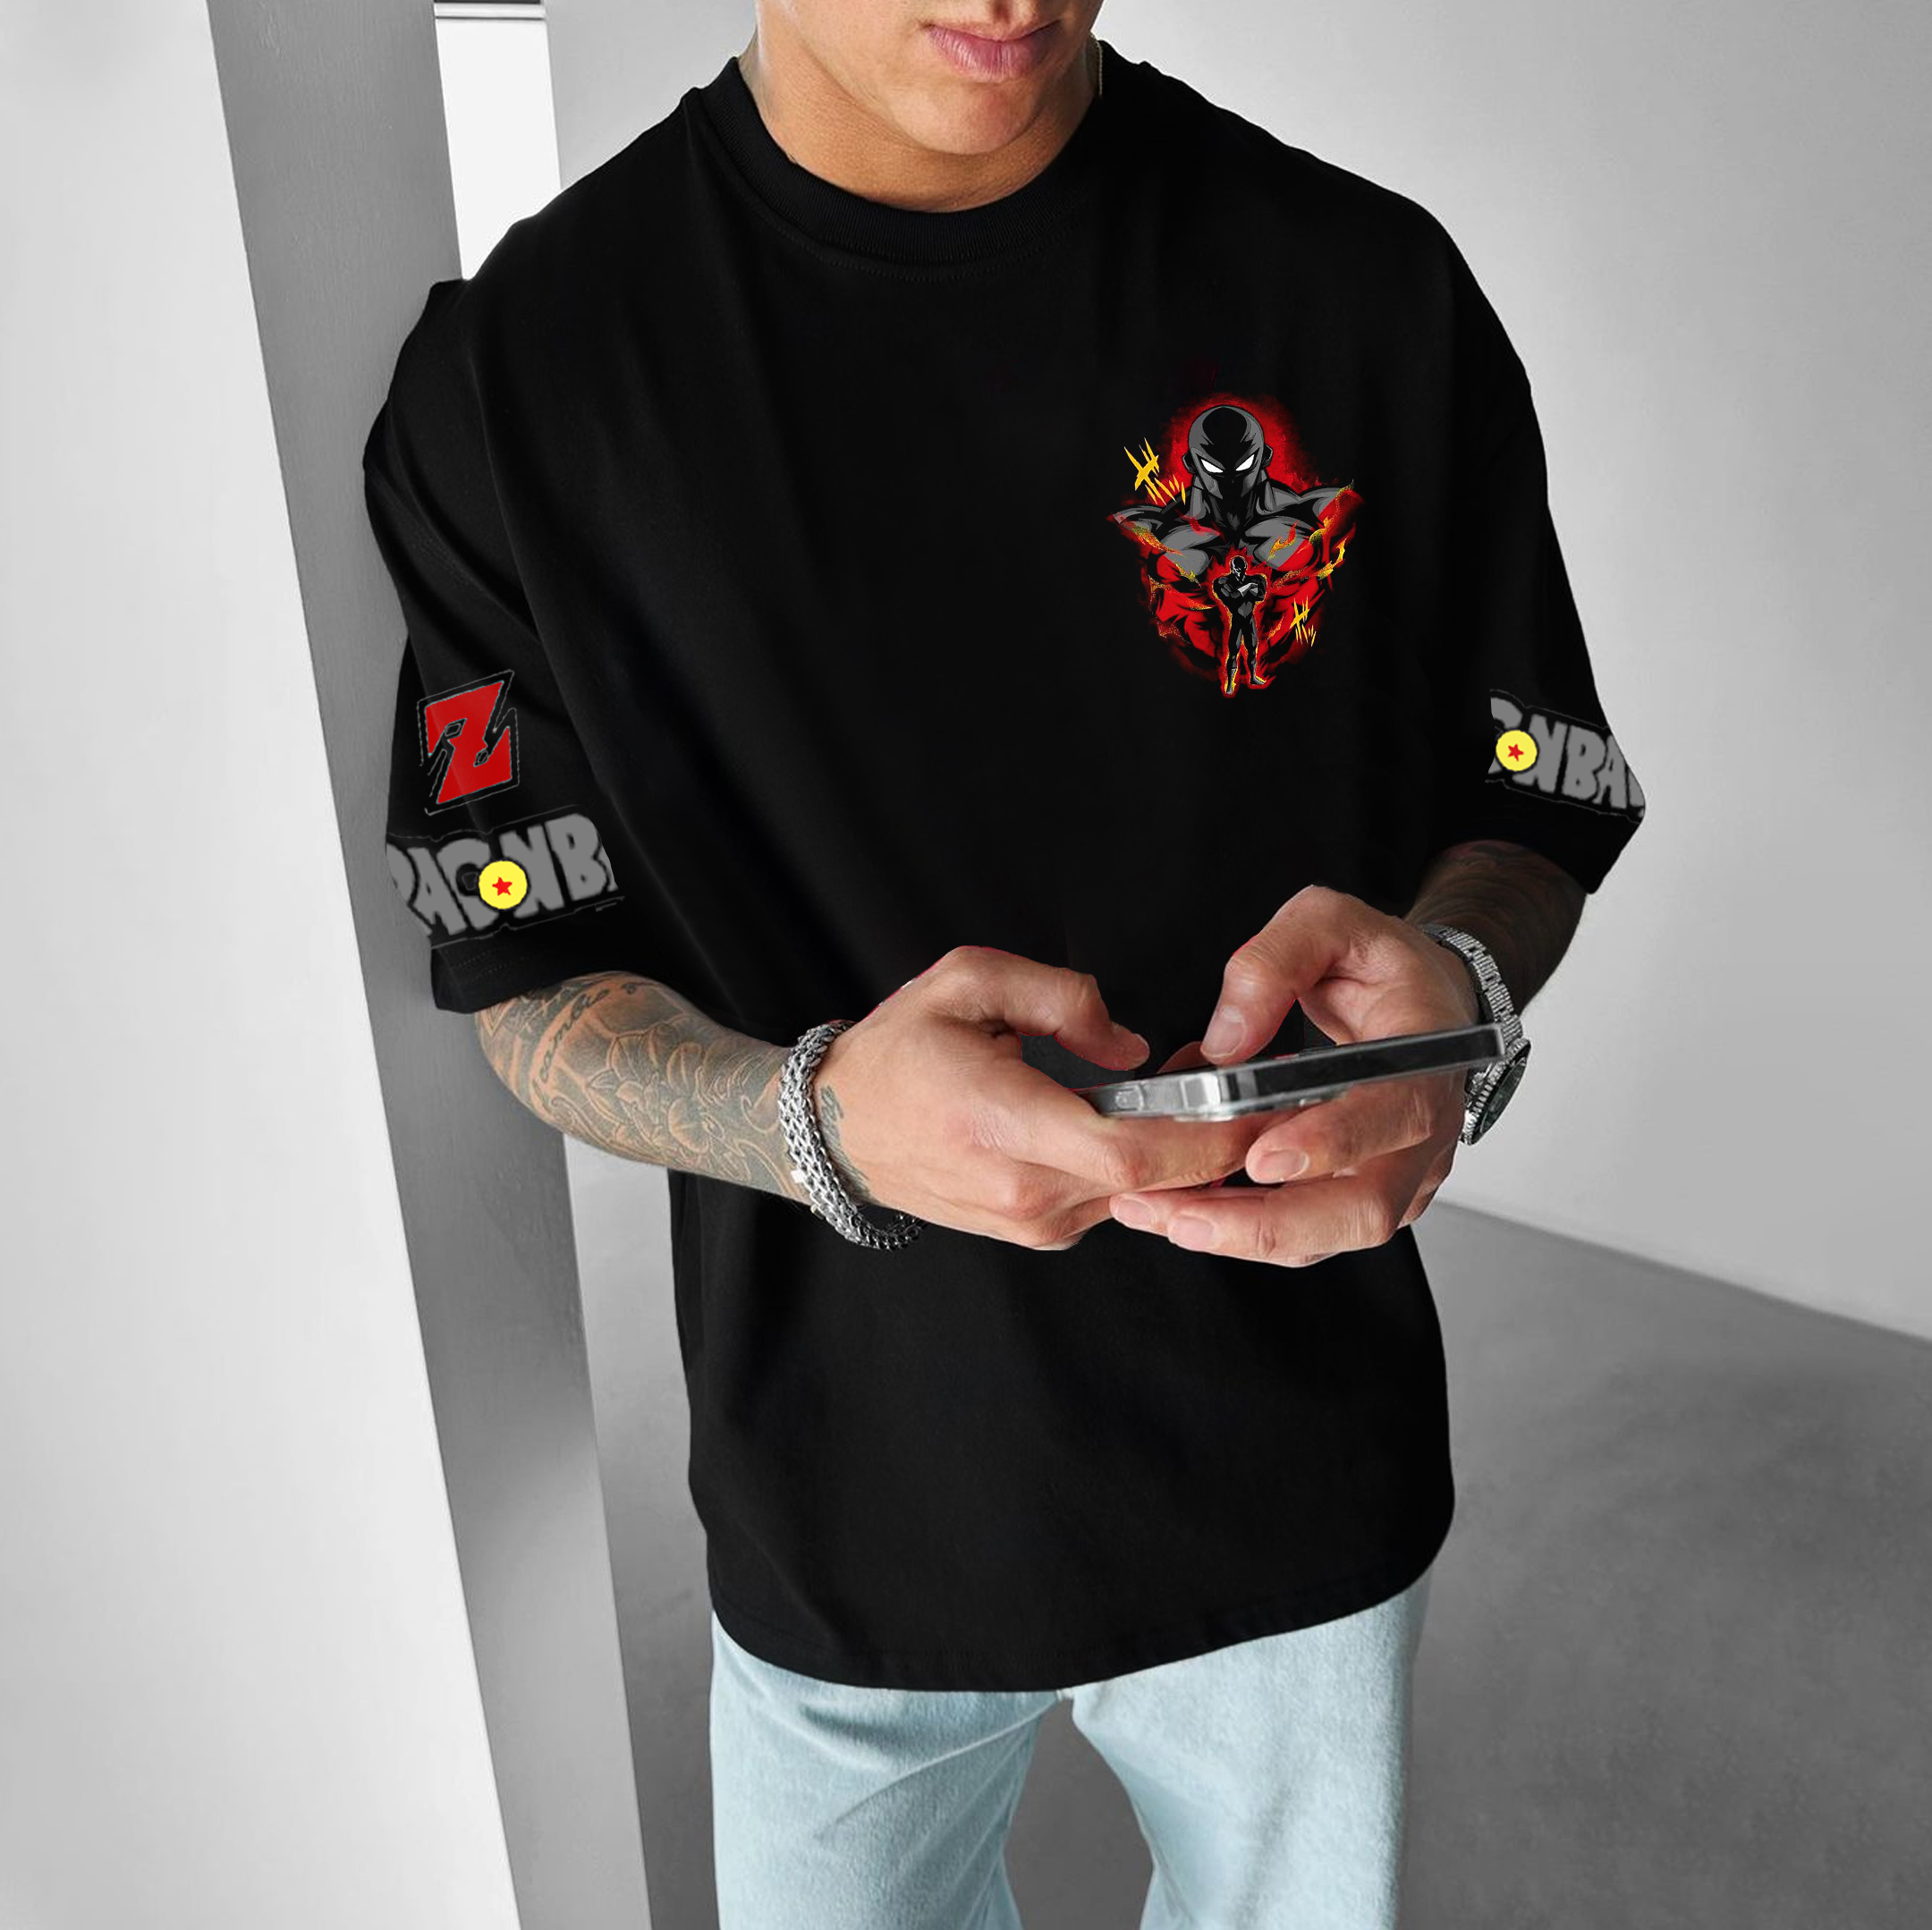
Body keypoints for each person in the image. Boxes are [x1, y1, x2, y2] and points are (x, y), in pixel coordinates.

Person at [366, 4, 1647, 1925]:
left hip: (1296, 1449)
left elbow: (1531, 784)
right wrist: (813, 1117)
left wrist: (1458, 990)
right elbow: (525, 963)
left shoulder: (1364, 286)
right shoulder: (522, 377)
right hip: (839, 1491)